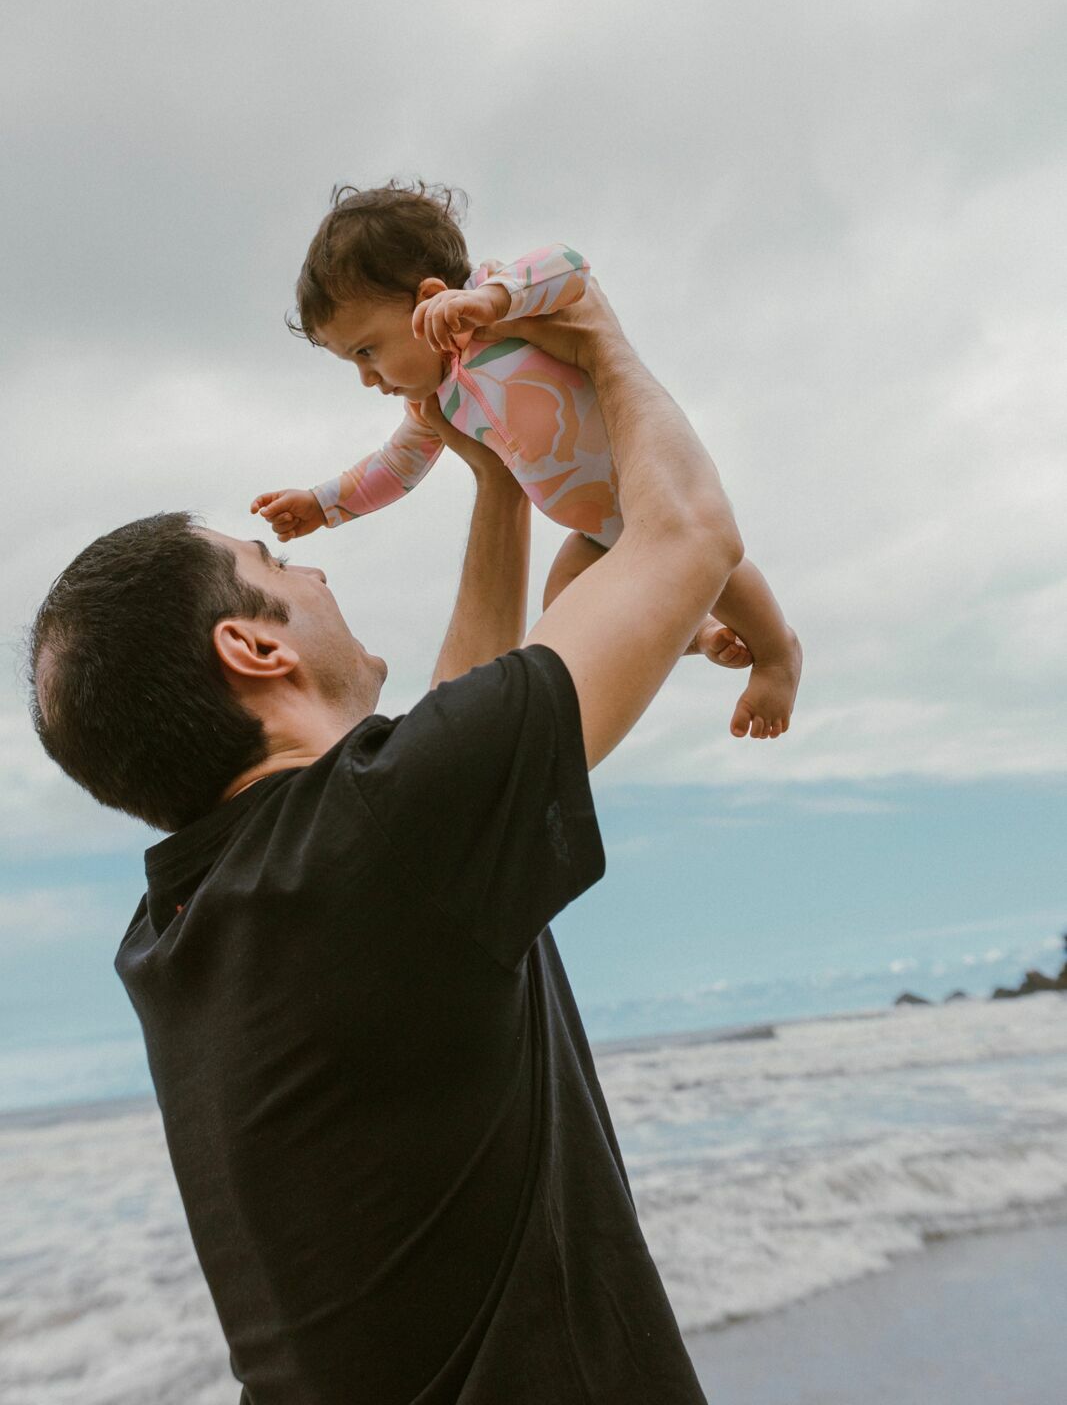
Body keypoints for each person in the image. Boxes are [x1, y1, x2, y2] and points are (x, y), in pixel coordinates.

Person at [28, 276, 741, 1403]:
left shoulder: (184, 925)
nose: (313, 569)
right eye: (275, 567)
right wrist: (598, 332)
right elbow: (690, 533)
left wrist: (495, 481)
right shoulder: (381, 837)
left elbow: (436, 744)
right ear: (254, 648)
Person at [251, 182, 801, 740]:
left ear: (430, 299)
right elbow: (394, 468)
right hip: (594, 530)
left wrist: (494, 300)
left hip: (646, 484)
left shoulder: (496, 304)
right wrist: (324, 503)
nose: (367, 377)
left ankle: (779, 654)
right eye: (353, 362)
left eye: (367, 351)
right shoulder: (435, 401)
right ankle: (698, 631)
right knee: (565, 606)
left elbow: (570, 266)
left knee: (715, 564)